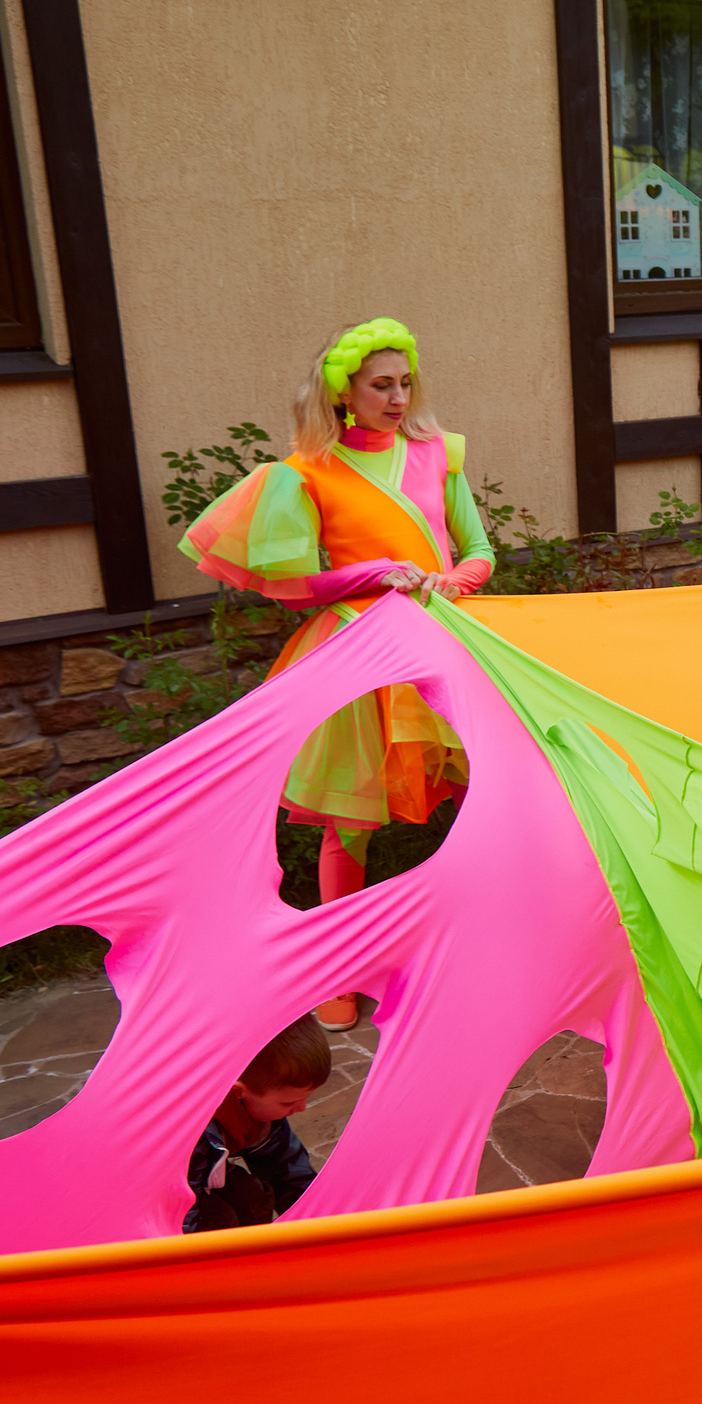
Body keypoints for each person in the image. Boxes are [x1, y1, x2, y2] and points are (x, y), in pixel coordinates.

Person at [182, 319, 496, 1033]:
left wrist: (455, 582)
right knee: (347, 823)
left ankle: (487, 933)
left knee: (484, 796)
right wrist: (375, 574)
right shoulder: (304, 474)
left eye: (404, 382)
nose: (397, 397)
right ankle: (339, 968)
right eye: (380, 385)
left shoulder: (436, 454)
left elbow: (478, 547)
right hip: (359, 654)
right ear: (343, 393)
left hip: (445, 644)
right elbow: (294, 587)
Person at [184, 1019, 332, 1233]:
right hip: (170, 1194)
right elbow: (180, 1210)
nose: (302, 1108)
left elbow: (288, 1172)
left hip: (205, 1179)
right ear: (239, 1091)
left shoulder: (263, 1114)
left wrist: (322, 1224)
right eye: (288, 1102)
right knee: (222, 1218)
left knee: (252, 1197)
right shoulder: (192, 1134)